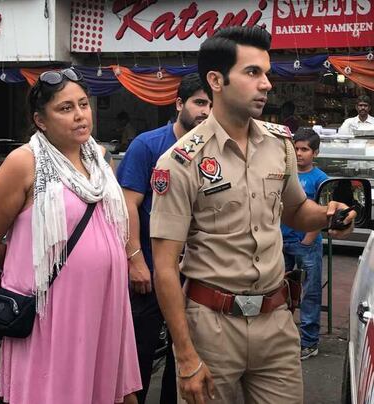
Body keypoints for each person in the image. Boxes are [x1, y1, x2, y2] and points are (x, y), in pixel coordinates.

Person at [150, 26, 355, 404]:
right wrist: (186, 356)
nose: (266, 85)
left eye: (266, 73)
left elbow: (294, 211)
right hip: (211, 328)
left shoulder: (279, 144)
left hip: (276, 323)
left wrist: (328, 215)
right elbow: (164, 266)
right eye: (252, 73)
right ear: (216, 80)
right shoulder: (180, 161)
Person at [0, 68, 142, 404]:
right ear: (41, 120)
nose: (80, 115)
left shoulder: (101, 159)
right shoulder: (24, 163)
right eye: (65, 108)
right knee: (54, 389)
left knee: (106, 388)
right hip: (52, 308)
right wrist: (32, 267)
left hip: (105, 301)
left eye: (83, 104)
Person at [117, 73, 211, 404]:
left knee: (185, 357)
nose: (206, 112)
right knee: (139, 354)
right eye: (199, 103)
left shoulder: (215, 151)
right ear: (179, 104)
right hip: (152, 273)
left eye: (212, 105)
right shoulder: (148, 145)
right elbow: (128, 203)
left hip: (197, 273)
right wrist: (136, 259)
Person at [281, 128, 328, 361]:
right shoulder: (284, 173)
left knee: (309, 294)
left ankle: (309, 342)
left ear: (315, 152)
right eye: (295, 148)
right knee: (281, 293)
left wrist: (307, 239)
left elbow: (322, 213)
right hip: (281, 242)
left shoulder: (321, 179)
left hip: (306, 244)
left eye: (304, 149)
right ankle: (283, 340)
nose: (299, 154)